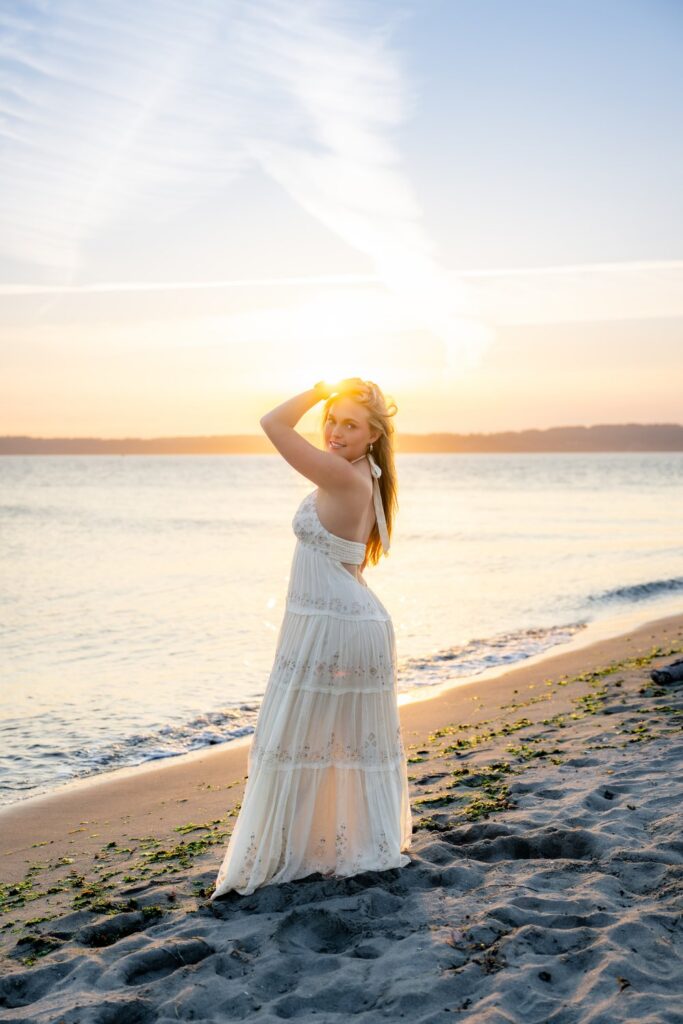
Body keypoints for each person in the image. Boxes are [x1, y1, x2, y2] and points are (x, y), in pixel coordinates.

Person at [209, 377, 412, 899]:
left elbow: (272, 423)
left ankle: (292, 854)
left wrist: (318, 390)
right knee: (326, 747)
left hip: (333, 626)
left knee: (296, 744)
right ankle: (327, 848)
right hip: (346, 621)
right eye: (331, 420)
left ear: (373, 435)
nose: (335, 432)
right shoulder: (364, 474)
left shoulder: (340, 473)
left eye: (350, 425)